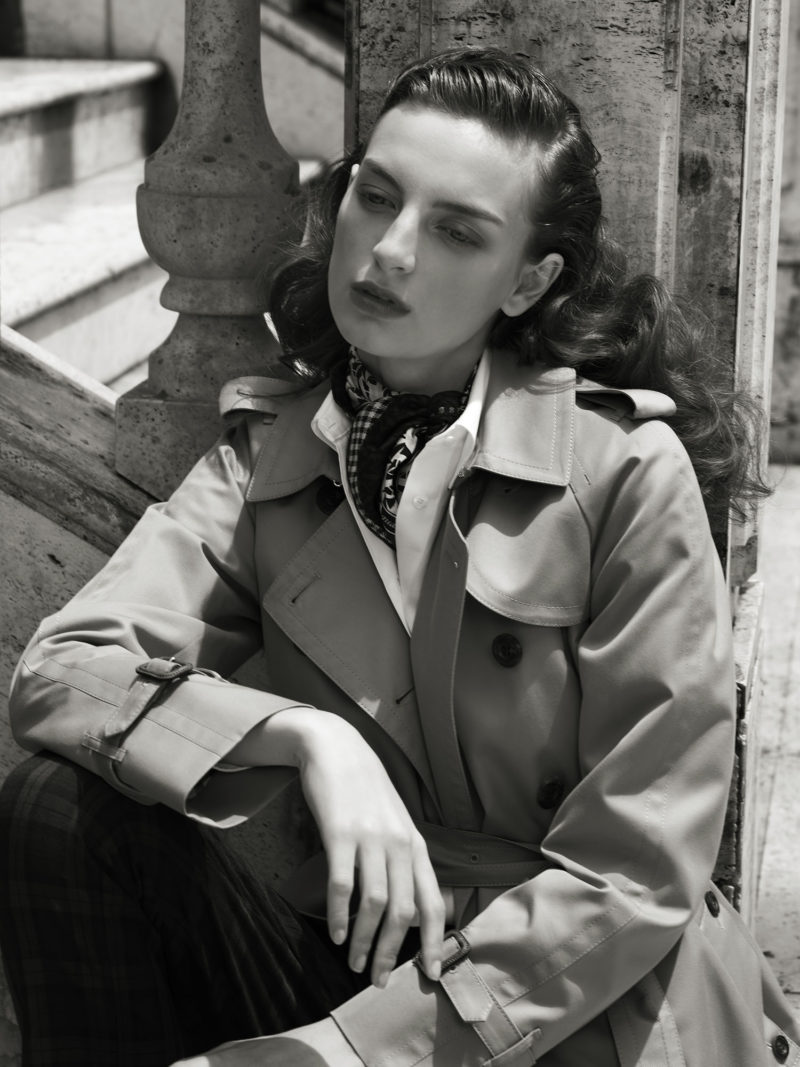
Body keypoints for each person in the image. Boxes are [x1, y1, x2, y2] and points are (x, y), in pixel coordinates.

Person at [0, 45, 796, 1067]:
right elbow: (63, 668)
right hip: (364, 951)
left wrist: (343, 1051)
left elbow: (637, 867)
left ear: (528, 281)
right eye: (375, 197)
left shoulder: (623, 474)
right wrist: (302, 736)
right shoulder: (274, 455)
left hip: (575, 999)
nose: (388, 250)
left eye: (457, 230)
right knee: (59, 813)